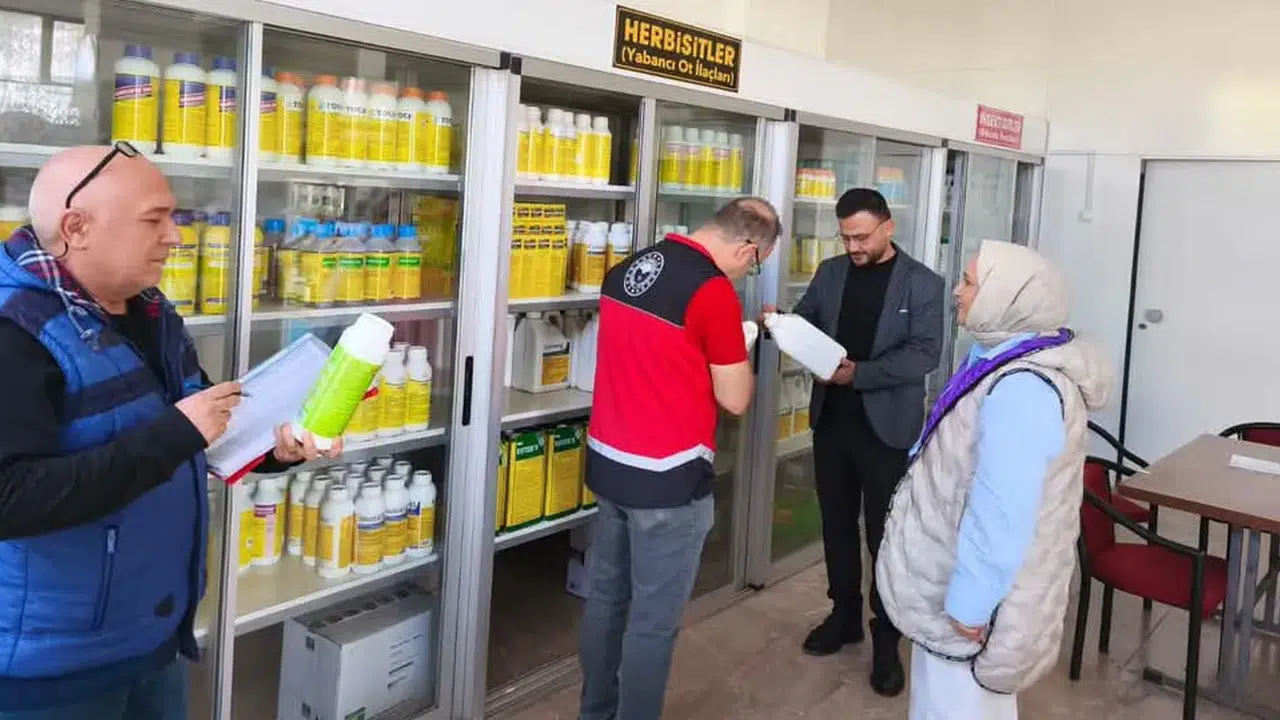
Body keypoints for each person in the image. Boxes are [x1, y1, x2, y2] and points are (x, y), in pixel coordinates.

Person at [0, 143, 339, 720]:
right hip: (54, 671)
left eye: (174, 218)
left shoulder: (150, 311)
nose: (175, 237)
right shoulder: (15, 332)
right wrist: (176, 433)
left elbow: (203, 429)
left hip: (152, 635)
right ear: (76, 228)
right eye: (153, 220)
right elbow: (10, 498)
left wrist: (276, 448)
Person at [875, 241, 1112, 719]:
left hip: (971, 608)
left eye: (969, 282)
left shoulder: (1022, 387)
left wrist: (971, 603)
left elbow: (1003, 508)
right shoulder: (996, 358)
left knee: (958, 706)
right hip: (950, 582)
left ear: (1008, 296)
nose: (957, 291)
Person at [578, 197, 779, 720]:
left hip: (609, 463)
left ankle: (594, 712)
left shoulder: (629, 268)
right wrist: (740, 346)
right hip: (667, 480)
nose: (747, 273)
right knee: (652, 623)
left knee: (606, 601)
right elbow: (735, 399)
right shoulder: (711, 291)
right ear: (748, 250)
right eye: (755, 265)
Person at [766, 187, 942, 695]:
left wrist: (858, 374)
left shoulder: (922, 283)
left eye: (862, 237)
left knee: (884, 535)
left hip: (886, 429)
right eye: (846, 237)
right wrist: (785, 325)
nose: (853, 246)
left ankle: (886, 639)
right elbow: (809, 319)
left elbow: (924, 354)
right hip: (833, 422)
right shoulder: (831, 272)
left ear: (888, 227)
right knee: (836, 523)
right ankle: (843, 616)